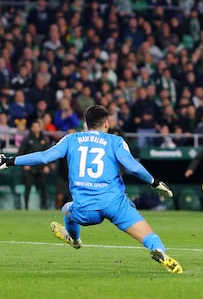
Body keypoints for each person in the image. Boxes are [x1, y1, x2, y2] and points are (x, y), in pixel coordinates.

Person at [0, 105, 183, 274]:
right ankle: (158, 250)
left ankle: (75, 240)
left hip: (86, 209)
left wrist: (9, 161)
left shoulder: (71, 139)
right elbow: (133, 167)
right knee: (149, 236)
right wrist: (154, 182)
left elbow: (44, 157)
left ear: (86, 124)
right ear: (106, 122)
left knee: (66, 209)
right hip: (115, 204)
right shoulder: (115, 141)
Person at [17, 120, 50, 210]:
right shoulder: (27, 139)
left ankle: (44, 206)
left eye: (37, 126)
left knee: (43, 188)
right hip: (30, 168)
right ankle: (26, 207)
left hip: (41, 168)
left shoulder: (44, 139)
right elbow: (20, 152)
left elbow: (49, 153)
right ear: (31, 128)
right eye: (34, 127)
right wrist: (24, 164)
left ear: (40, 128)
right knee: (28, 188)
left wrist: (47, 166)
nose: (36, 128)